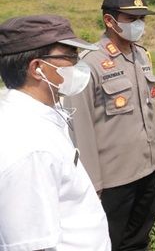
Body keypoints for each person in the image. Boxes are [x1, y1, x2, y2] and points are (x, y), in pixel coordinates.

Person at [65, 0, 155, 251]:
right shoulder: (89, 64)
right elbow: (81, 126)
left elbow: (149, 106)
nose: (139, 25)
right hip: (113, 180)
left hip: (146, 169)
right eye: (131, 19)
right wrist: (93, 183)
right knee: (113, 241)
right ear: (110, 21)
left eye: (142, 19)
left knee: (141, 236)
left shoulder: (141, 55)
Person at [0, 14, 111, 250]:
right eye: (70, 56)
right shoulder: (31, 148)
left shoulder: (39, 115)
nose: (78, 64)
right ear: (37, 68)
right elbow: (32, 244)